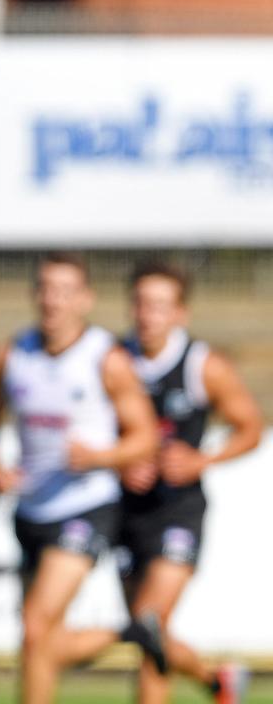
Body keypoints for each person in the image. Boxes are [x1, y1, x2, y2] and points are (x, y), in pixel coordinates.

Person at [0, 252, 165, 704]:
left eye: (64, 291)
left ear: (85, 300)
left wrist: (102, 456)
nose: (52, 301)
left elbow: (146, 437)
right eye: (45, 288)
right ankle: (132, 631)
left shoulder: (106, 358)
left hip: (86, 505)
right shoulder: (11, 354)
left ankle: (131, 630)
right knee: (37, 638)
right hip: (30, 509)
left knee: (38, 628)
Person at [115, 262, 261, 703]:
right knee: (147, 634)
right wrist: (119, 462)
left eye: (160, 305)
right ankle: (217, 681)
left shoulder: (203, 365)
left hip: (178, 510)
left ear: (181, 313)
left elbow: (250, 427)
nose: (148, 315)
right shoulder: (113, 359)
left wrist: (203, 458)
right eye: (141, 303)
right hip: (127, 510)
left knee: (150, 622)